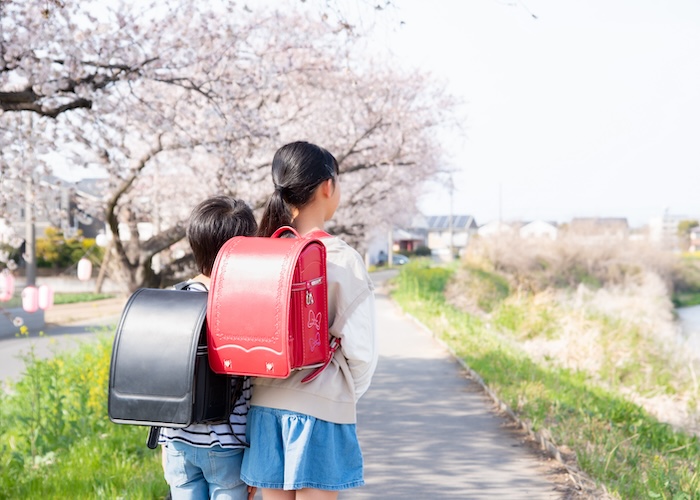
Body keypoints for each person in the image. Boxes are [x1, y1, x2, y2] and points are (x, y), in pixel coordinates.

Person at [241, 141, 378, 499]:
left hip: (264, 407)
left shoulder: (261, 253)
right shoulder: (342, 258)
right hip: (320, 407)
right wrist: (343, 395)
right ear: (327, 187)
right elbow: (362, 352)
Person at [159, 195, 258, 500]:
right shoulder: (244, 308)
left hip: (176, 441)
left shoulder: (173, 300)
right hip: (227, 444)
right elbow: (253, 387)